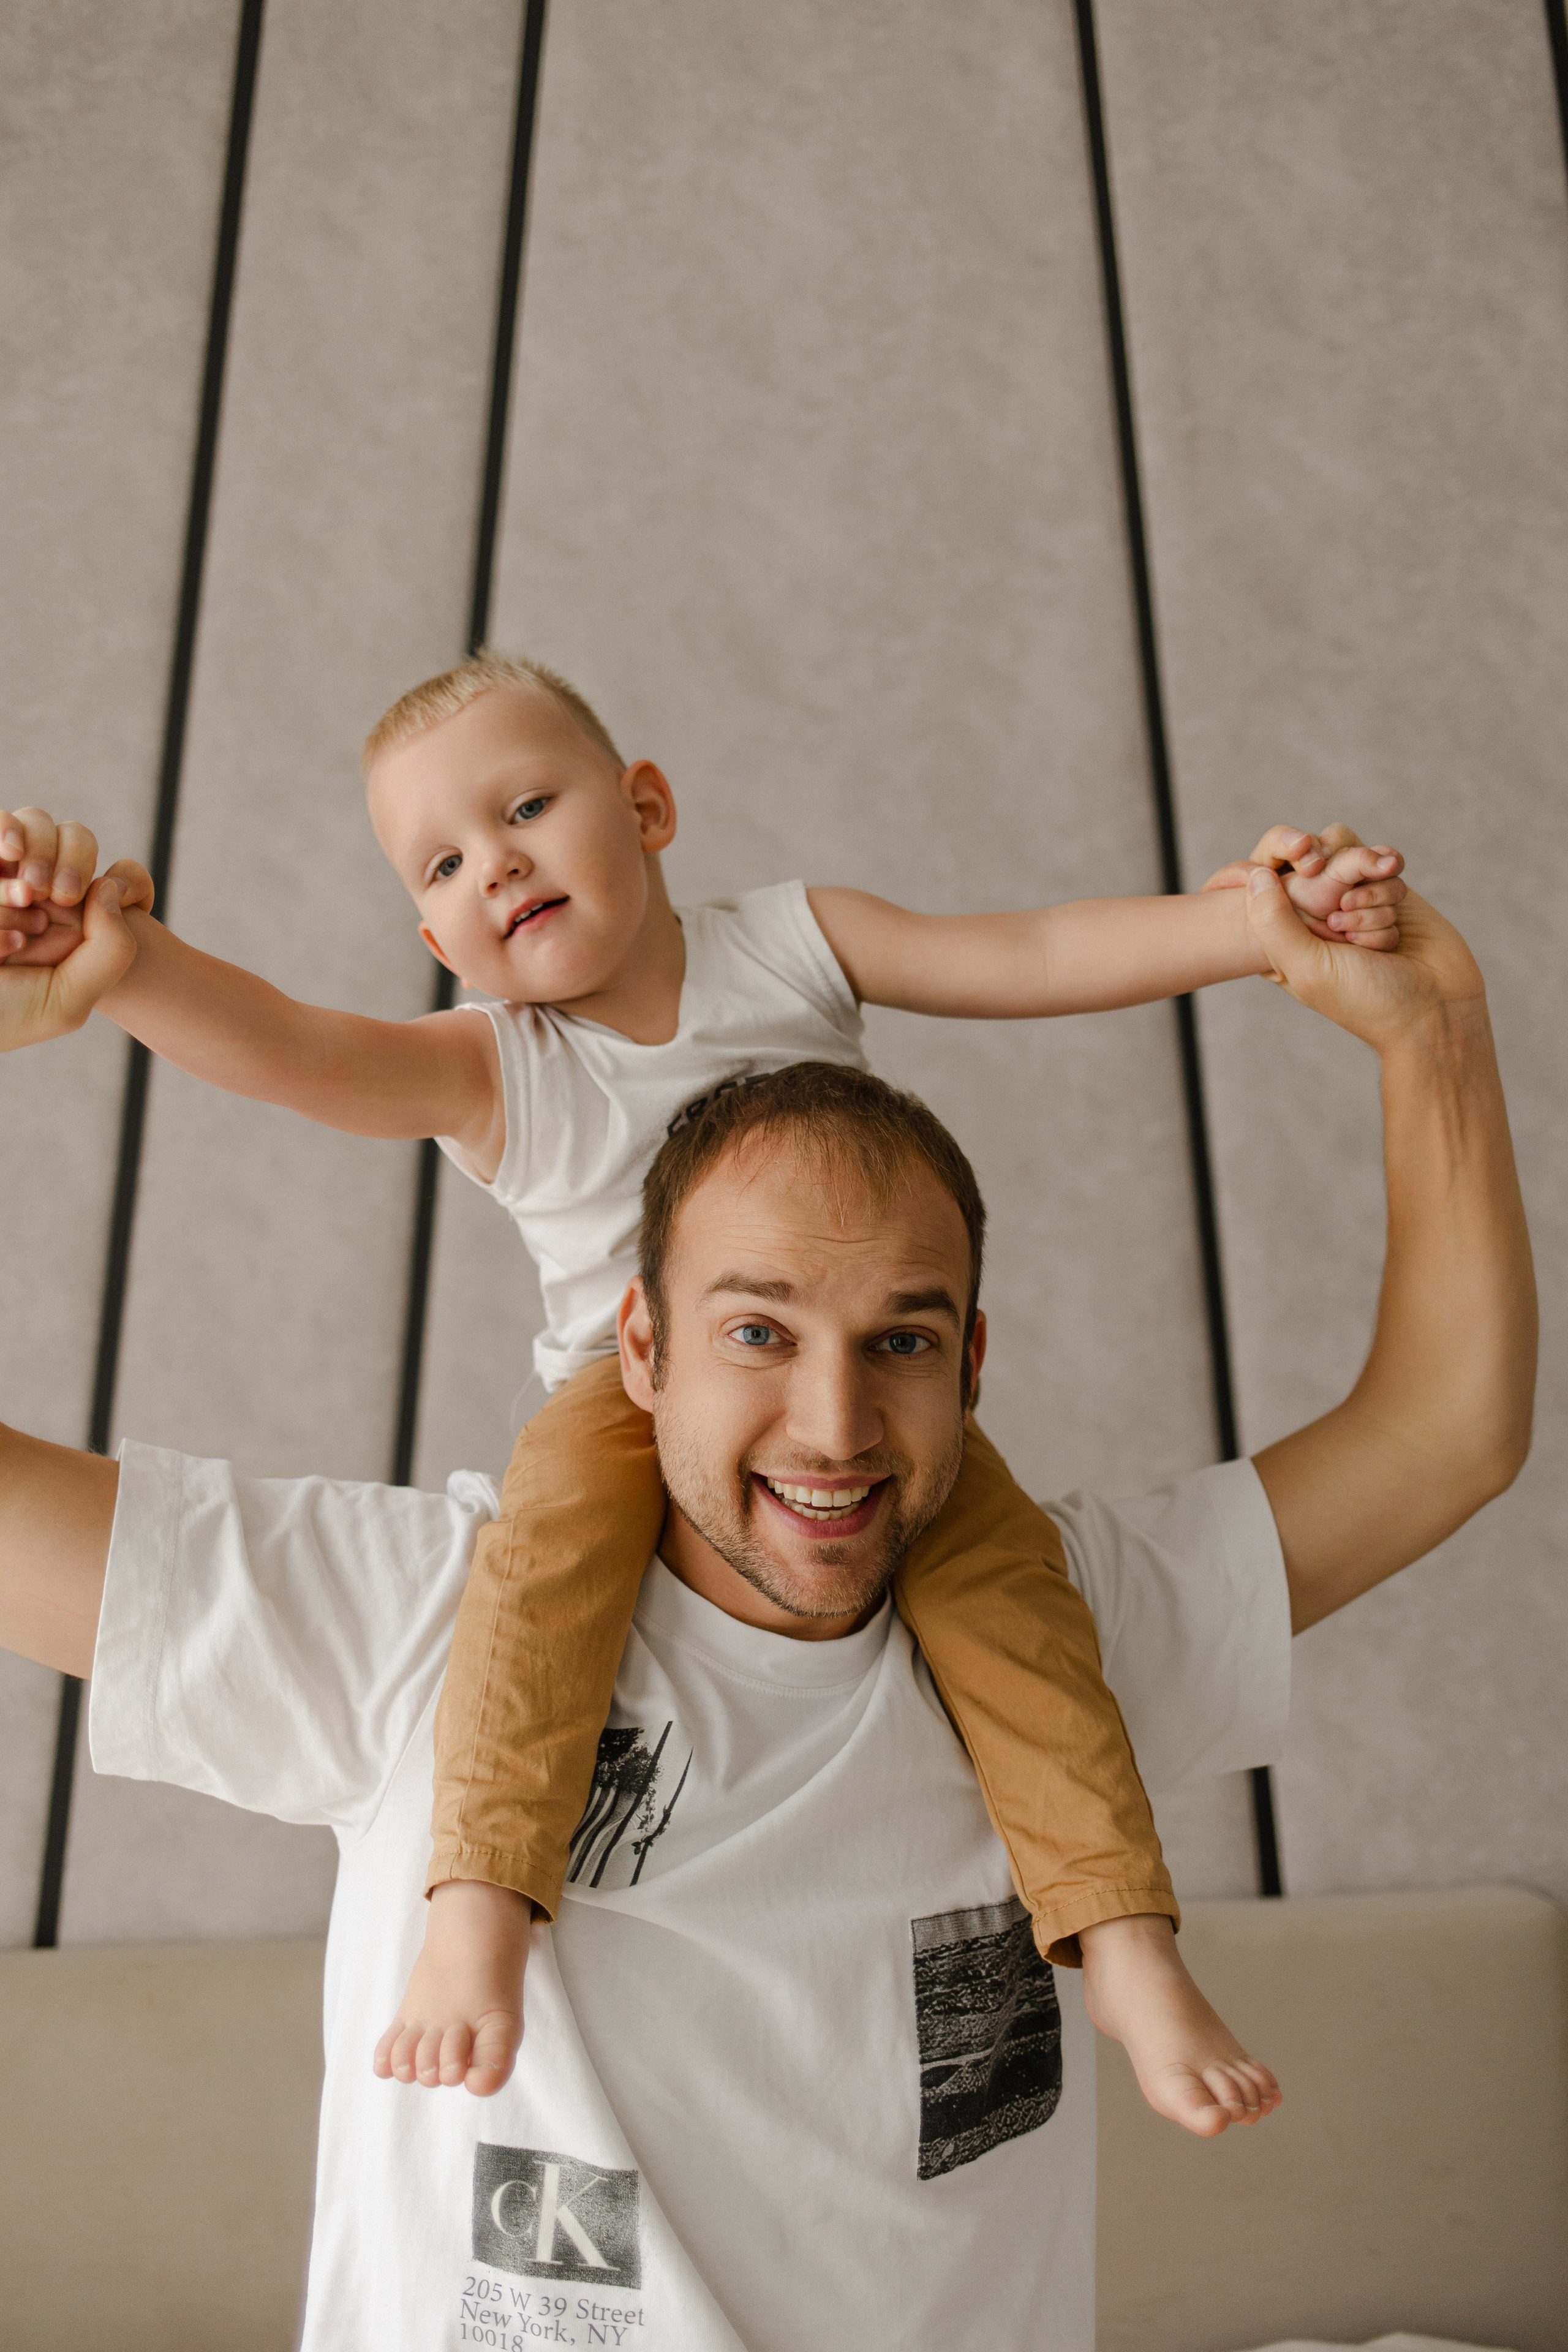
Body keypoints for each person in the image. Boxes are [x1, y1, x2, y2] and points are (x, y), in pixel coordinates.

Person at [0, 865, 1536, 2352]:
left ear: (972, 1363)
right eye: (757, 1331)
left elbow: (1440, 1436)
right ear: (641, 1350)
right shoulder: (416, 1621)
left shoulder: (1058, 1643)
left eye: (900, 1343)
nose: (833, 1425)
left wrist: (1431, 1031)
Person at [0, 657, 1408, 2130]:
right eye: (446, 863)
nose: (500, 865)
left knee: (1018, 1616)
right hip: (628, 1404)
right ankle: (479, 1911)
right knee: (536, 1595)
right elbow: (303, 1054)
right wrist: (132, 973)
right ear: (435, 936)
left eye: (526, 805)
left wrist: (1250, 927)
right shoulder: (508, 1069)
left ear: (649, 806)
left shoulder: (793, 945)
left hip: (847, 1387)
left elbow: (1032, 947)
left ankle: (1121, 1944)